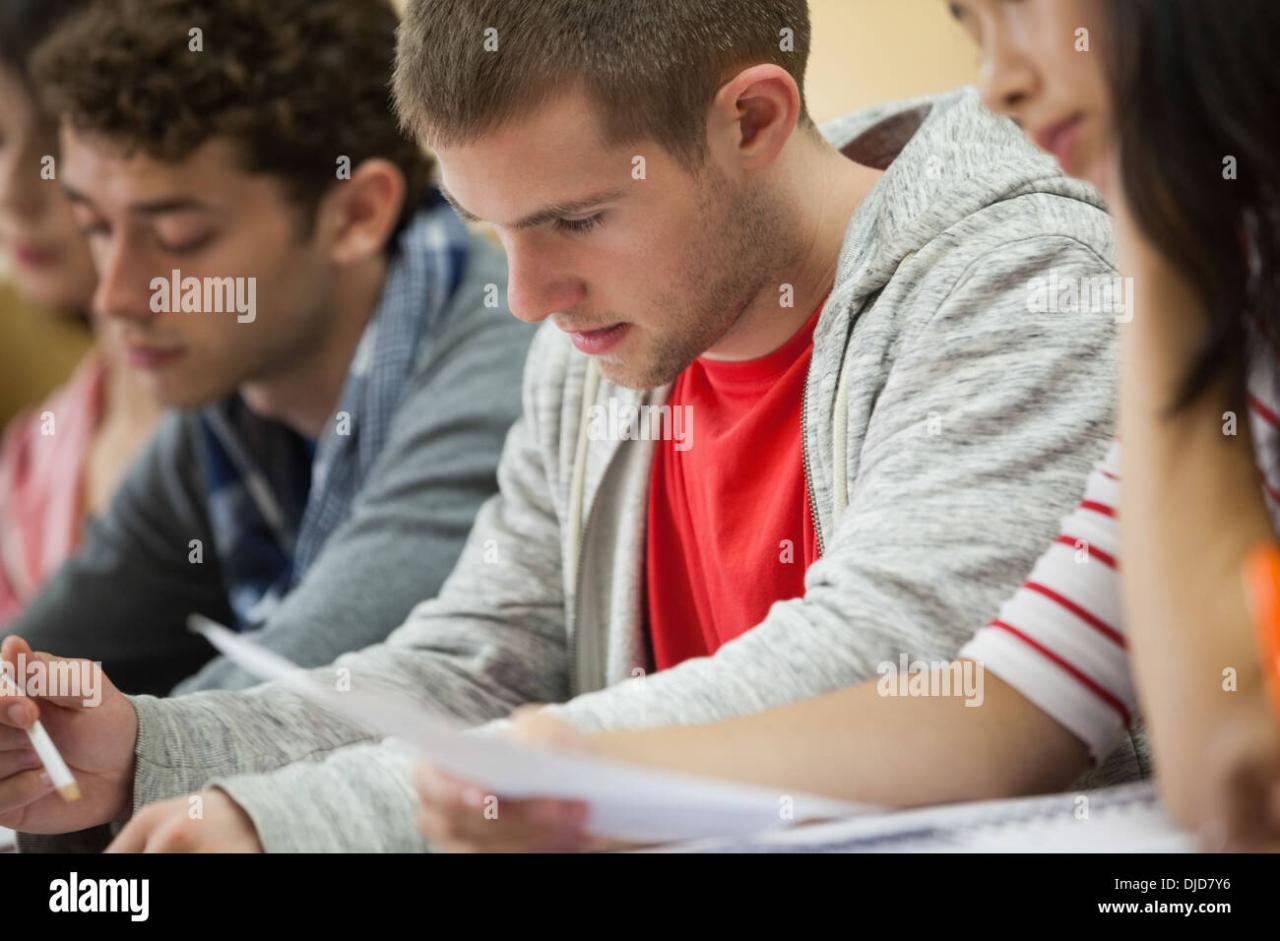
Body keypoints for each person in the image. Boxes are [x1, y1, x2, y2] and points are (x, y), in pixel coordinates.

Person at [2, 0, 1121, 853]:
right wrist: (157, 748)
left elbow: (883, 666)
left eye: (575, 219)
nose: (528, 295)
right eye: (489, 229)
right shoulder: (600, 330)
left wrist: (294, 819)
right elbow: (486, 661)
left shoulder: (1015, 278)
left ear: (751, 119)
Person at [0, 0, 532, 695]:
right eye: (95, 227)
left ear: (356, 214)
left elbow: (281, 707)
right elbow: (43, 665)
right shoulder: (235, 400)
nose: (117, 297)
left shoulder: (498, 381)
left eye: (180, 239)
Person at [0, 0, 161, 625]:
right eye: (0, 139)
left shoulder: (256, 425)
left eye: (57, 146)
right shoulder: (26, 462)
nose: (13, 192)